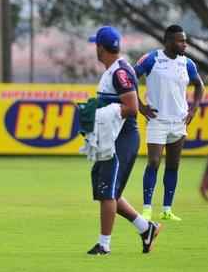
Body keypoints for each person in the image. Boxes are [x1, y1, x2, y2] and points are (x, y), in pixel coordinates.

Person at [86, 26, 160, 255]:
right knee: (106, 189)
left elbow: (131, 107)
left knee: (108, 191)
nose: (95, 50)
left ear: (100, 48)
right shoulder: (114, 70)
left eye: (96, 46)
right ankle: (146, 228)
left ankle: (104, 245)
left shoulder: (119, 72)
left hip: (122, 138)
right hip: (112, 136)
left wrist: (101, 114)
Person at [135, 25, 205, 221]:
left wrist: (193, 109)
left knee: (173, 165)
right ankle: (147, 208)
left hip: (179, 122)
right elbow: (130, 78)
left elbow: (199, 85)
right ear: (168, 41)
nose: (184, 44)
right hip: (157, 120)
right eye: (180, 40)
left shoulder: (187, 63)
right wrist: (141, 107)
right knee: (154, 162)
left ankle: (167, 210)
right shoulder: (152, 59)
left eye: (184, 40)